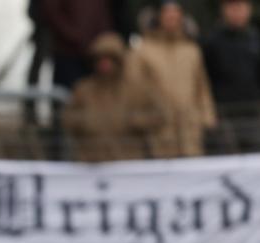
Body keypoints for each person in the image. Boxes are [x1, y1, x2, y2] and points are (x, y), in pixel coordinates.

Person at [130, 0, 217, 157]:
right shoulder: (143, 50)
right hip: (159, 130)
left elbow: (201, 86)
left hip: (190, 128)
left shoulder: (191, 50)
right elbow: (135, 89)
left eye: (176, 13)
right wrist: (141, 119)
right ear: (159, 17)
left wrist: (206, 117)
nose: (171, 17)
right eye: (167, 13)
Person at [63, 33, 165, 161]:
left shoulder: (136, 89)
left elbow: (159, 116)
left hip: (128, 161)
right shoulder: (83, 89)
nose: (104, 64)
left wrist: (136, 120)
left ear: (119, 61)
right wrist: (86, 121)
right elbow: (67, 118)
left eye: (109, 59)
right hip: (91, 163)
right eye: (100, 59)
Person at [202, 0, 260, 153]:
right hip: (224, 113)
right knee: (228, 156)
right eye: (232, 7)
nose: (237, 12)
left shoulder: (255, 39)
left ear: (249, 9)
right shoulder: (212, 42)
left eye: (241, 7)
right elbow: (205, 79)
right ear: (224, 10)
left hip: (254, 111)